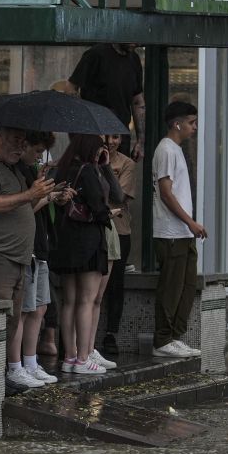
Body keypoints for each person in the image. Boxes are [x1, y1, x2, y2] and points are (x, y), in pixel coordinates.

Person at [0, 125, 58, 390]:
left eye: (23, 142)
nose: (20, 147)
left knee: (10, 320)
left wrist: (38, 190)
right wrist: (30, 193)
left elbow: (24, 207)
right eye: (15, 141)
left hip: (18, 258)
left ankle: (2, 374)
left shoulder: (13, 169)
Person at [48, 135, 121, 376]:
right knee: (87, 300)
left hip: (65, 241)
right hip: (88, 241)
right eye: (100, 146)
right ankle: (82, 358)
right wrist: (110, 213)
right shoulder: (89, 170)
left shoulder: (63, 169)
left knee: (68, 301)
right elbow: (101, 207)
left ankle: (69, 356)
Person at [152, 101, 206, 358]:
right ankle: (163, 339)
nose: (194, 128)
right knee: (171, 287)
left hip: (183, 233)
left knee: (186, 285)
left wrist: (189, 226)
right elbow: (166, 193)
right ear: (177, 123)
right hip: (170, 233)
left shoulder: (176, 150)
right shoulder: (166, 150)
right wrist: (190, 222)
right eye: (191, 123)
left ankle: (174, 336)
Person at [13, 132, 61, 388]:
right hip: (26, 246)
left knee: (39, 308)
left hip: (40, 244)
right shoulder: (18, 172)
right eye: (37, 150)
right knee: (24, 310)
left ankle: (31, 362)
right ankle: (16, 365)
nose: (39, 156)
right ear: (24, 145)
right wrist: (44, 196)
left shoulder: (32, 172)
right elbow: (23, 209)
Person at [68, 43, 145, 160]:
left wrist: (140, 141)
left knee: (120, 174)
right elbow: (70, 89)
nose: (136, 43)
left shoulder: (134, 59)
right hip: (94, 135)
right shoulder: (96, 54)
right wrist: (82, 130)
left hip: (120, 135)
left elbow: (137, 102)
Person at [99, 133, 137, 355]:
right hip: (94, 227)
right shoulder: (87, 160)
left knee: (115, 284)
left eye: (115, 137)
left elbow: (120, 196)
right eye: (106, 137)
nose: (110, 142)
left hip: (119, 229)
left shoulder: (126, 164)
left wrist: (103, 170)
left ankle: (111, 333)